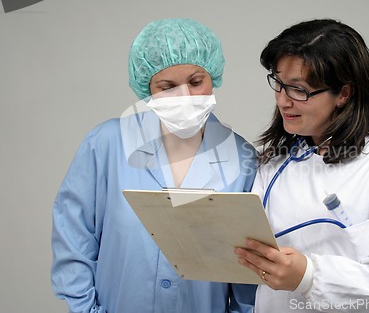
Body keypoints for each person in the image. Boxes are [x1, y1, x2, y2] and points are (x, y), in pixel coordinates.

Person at [51, 18, 258, 313]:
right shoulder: (108, 143)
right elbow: (74, 235)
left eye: (196, 82)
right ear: (146, 88)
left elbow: (248, 270)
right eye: (168, 87)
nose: (185, 96)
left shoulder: (243, 158)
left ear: (213, 76)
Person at [235, 19, 369, 312]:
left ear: (344, 93)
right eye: (278, 84)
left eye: (298, 90)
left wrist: (309, 277)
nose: (282, 101)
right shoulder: (275, 162)